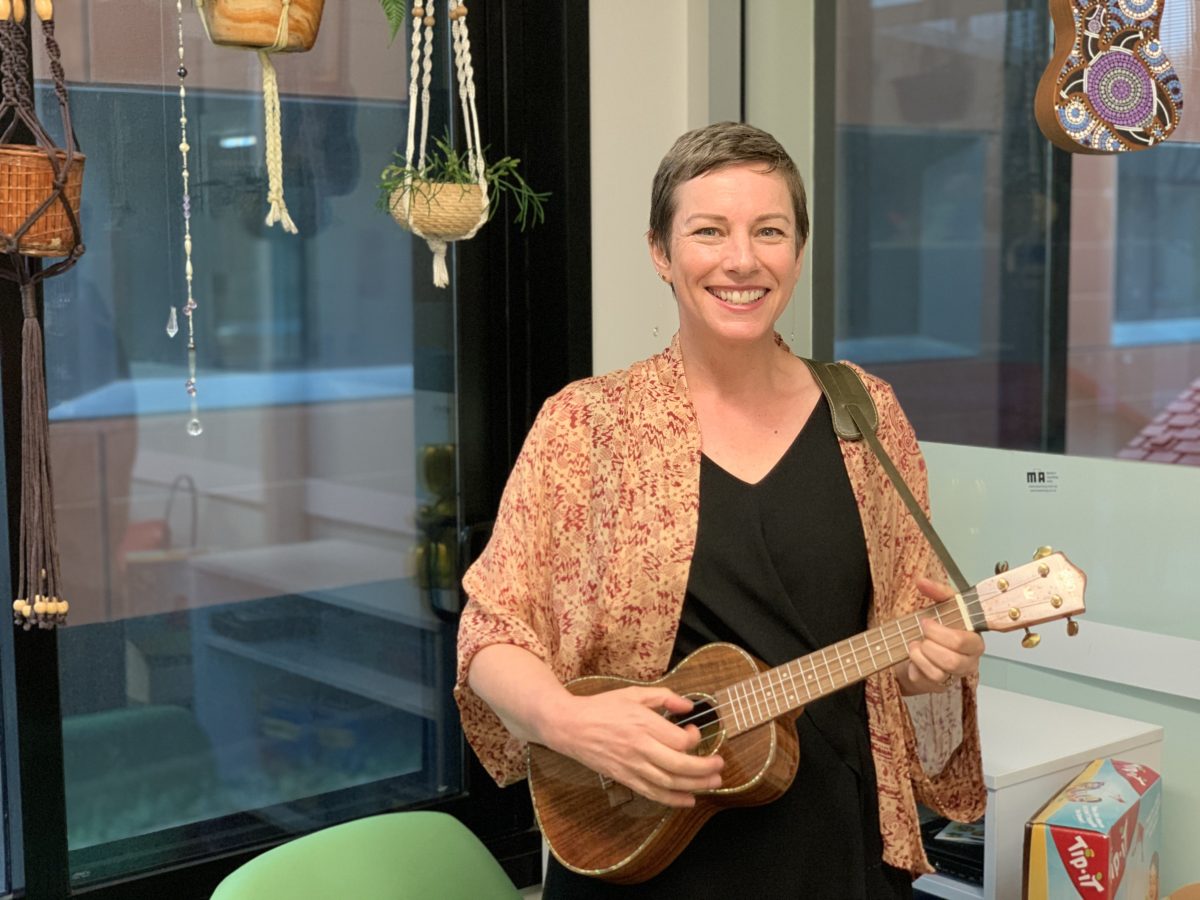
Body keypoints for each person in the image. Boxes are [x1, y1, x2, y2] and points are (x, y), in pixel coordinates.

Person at [454, 121, 987, 897]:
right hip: (637, 838)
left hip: (833, 842)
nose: (742, 260)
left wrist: (935, 663)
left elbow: (905, 639)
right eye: (709, 231)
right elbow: (490, 634)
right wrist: (571, 724)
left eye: (769, 231)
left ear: (797, 254)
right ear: (661, 253)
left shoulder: (865, 414)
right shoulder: (587, 424)